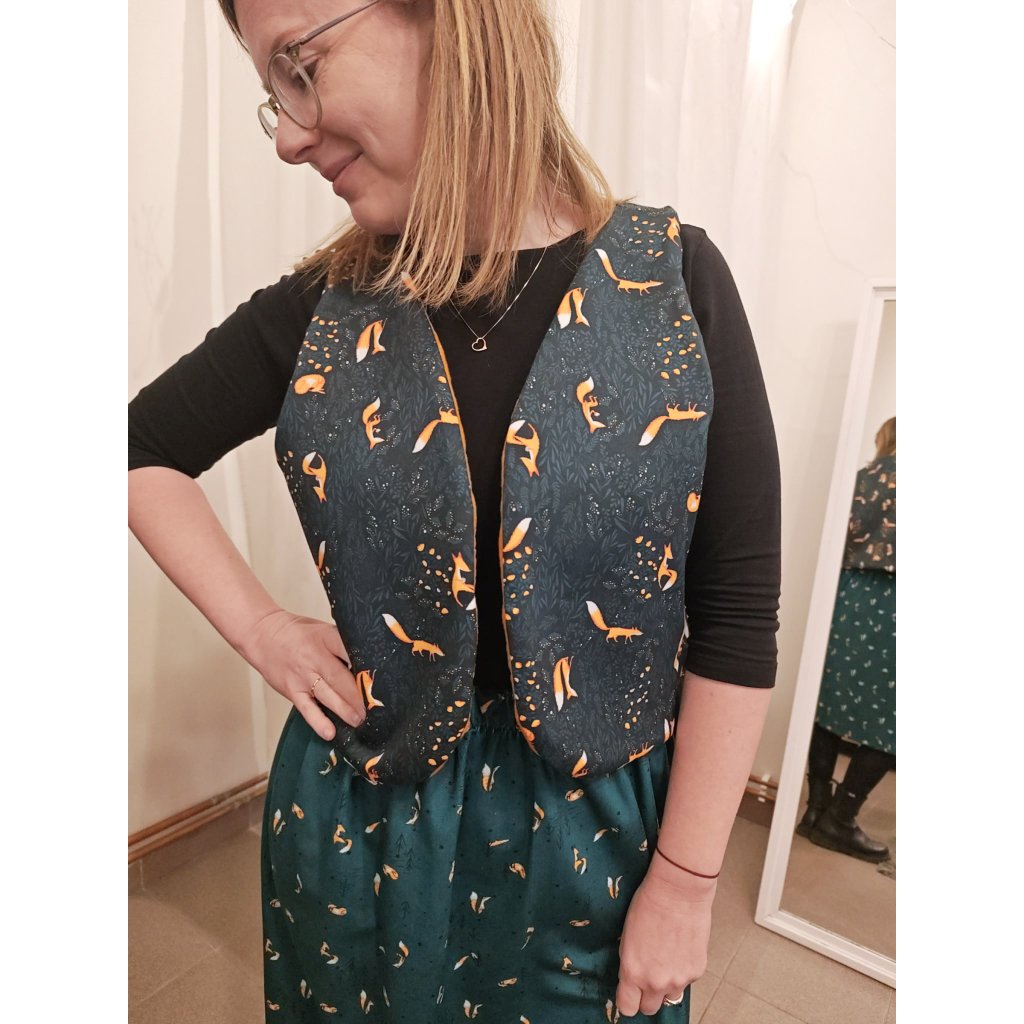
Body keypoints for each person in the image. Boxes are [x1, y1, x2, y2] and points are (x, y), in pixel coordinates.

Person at [128, 1, 781, 1020]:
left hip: (595, 846)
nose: (289, 136)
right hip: (361, 823)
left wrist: (689, 883)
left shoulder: (674, 284)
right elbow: (137, 449)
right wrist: (261, 629)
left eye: (300, 66)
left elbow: (735, 614)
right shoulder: (320, 309)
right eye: (271, 95)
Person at [796, 417, 895, 863]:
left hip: (850, 595)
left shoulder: (861, 479)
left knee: (828, 703)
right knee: (892, 719)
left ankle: (817, 807)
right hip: (895, 603)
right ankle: (841, 816)